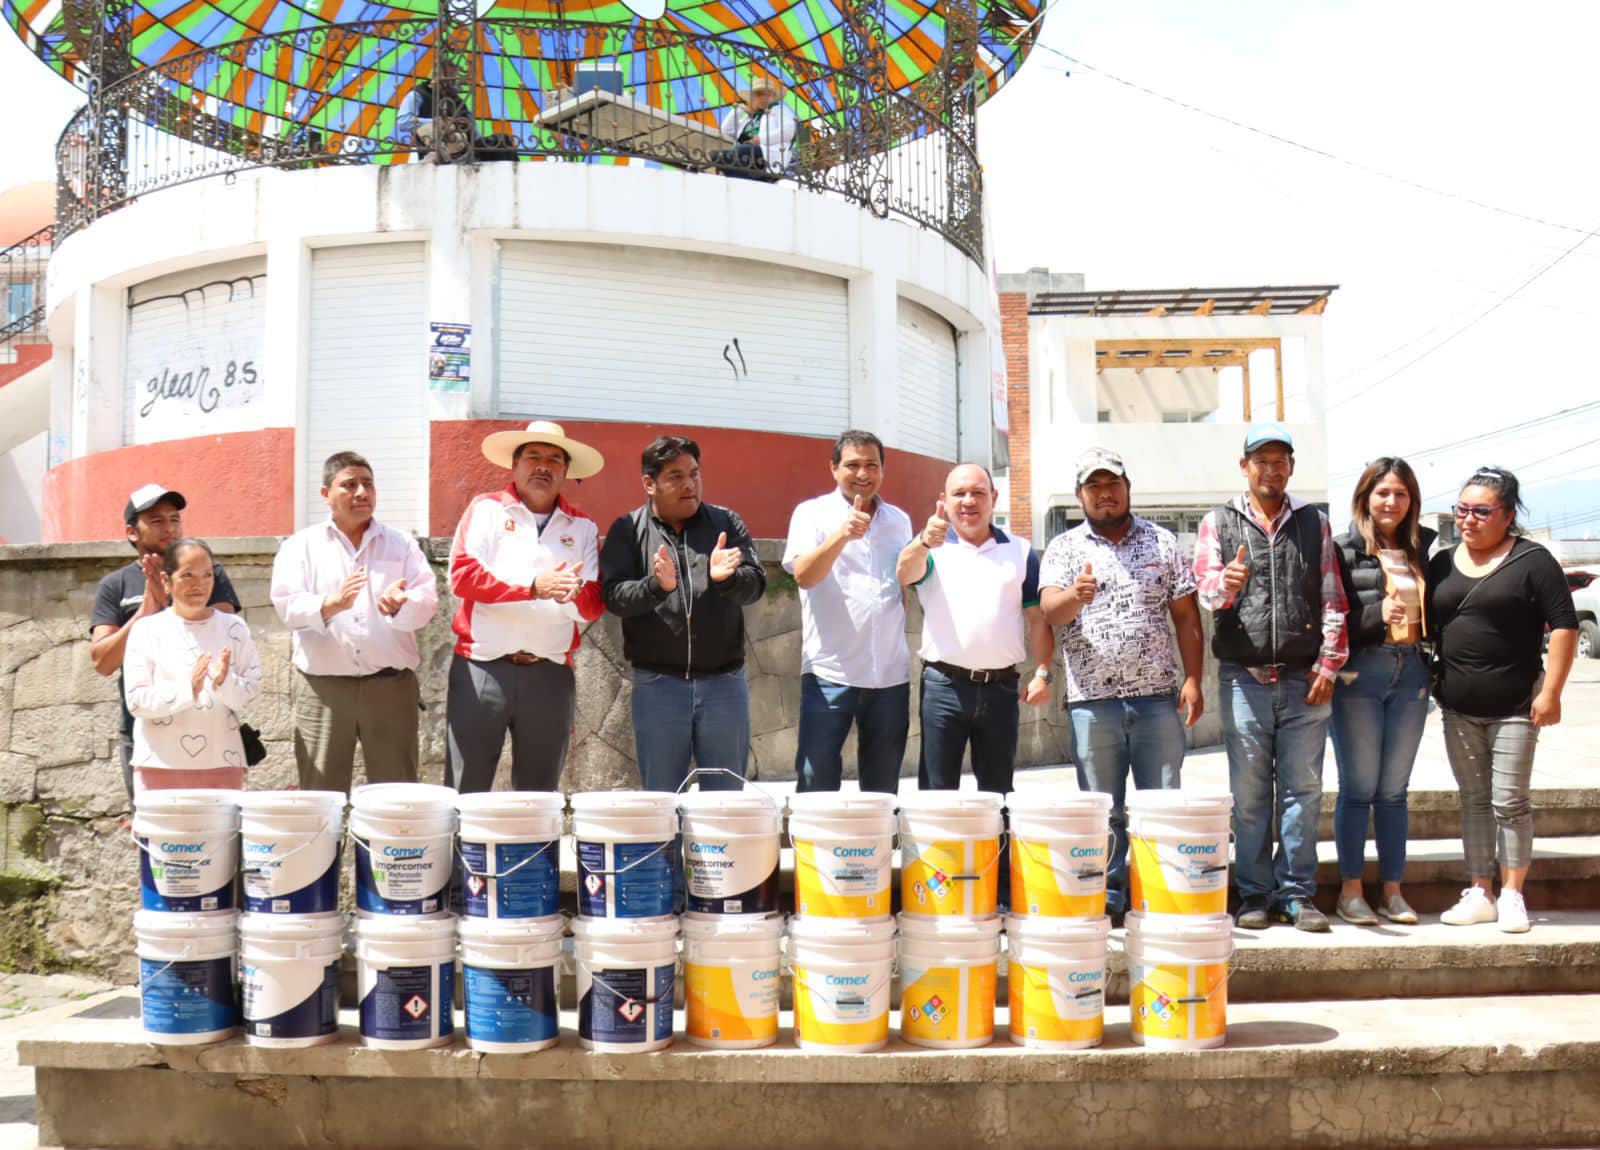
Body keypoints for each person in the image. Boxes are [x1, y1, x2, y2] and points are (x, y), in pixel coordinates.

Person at [1193, 422, 1348, 932]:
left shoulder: (1313, 523)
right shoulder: (1219, 521)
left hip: (1305, 679)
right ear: (1245, 466)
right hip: (1244, 677)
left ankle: (1297, 895)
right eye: (1261, 460)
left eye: (1281, 460)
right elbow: (1207, 595)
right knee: (1252, 793)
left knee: (1303, 791)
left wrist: (1328, 664)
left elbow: (1332, 598)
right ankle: (1255, 894)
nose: (1271, 469)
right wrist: (1227, 582)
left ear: (1291, 467)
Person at [1039, 448, 1204, 917]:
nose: (1104, 493)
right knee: (1101, 812)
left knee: (1161, 807)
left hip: (1157, 701)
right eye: (1094, 486)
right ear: (1080, 496)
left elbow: (1187, 617)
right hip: (1093, 704)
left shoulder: (1163, 543)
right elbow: (1050, 612)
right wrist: (1076, 595)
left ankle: (1158, 890)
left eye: (1112, 484)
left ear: (1127, 488)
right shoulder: (1064, 548)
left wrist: (1193, 679)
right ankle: (1108, 897)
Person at [1429, 466, 1577, 933]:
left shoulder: (1533, 561)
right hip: (1456, 706)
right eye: (1462, 510)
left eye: (1480, 511)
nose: (1468, 519)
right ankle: (1480, 891)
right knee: (1472, 800)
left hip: (1516, 705)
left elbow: (1565, 627)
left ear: (1508, 514)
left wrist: (1550, 692)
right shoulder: (1442, 562)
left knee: (1509, 801)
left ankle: (1512, 894)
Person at [446, 421, 605, 791]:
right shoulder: (484, 510)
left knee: (539, 793)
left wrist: (572, 593)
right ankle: (463, 853)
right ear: (514, 466)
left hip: (549, 674)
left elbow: (593, 605)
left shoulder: (582, 527)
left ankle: (533, 853)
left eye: (553, 459)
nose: (542, 466)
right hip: (482, 668)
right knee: (466, 787)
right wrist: (533, 588)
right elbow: (462, 576)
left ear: (566, 471)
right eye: (533, 456)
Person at [600, 435, 766, 792]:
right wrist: (657, 587)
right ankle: (667, 852)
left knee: (725, 800)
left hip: (724, 685)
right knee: (662, 799)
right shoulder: (627, 530)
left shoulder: (726, 523)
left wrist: (728, 579)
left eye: (694, 473)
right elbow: (613, 597)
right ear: (649, 483)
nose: (689, 484)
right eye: (675, 476)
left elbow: (756, 584)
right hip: (658, 687)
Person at [270, 452, 439, 792]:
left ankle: (391, 848)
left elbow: (427, 599)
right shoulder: (301, 546)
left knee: (396, 795)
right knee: (321, 797)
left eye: (368, 484)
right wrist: (331, 605)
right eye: (349, 485)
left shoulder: (400, 543)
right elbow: (287, 605)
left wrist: (400, 604)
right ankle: (327, 849)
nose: (362, 492)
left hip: (390, 689)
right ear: (325, 494)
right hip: (324, 690)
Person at [896, 463, 1053, 794]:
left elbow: (1037, 619)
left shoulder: (1021, 552)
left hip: (1001, 690)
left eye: (978, 493)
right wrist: (924, 541)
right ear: (944, 499)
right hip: (944, 688)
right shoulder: (931, 548)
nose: (969, 501)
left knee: (998, 795)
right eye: (959, 493)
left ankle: (996, 849)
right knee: (938, 793)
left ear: (993, 498)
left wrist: (1042, 673)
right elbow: (905, 574)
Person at [1330, 457, 1435, 926]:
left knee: (1394, 791)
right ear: (1365, 497)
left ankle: (1393, 891)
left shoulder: (1426, 549)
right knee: (1358, 788)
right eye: (1382, 492)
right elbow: (1330, 619)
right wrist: (1377, 617)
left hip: (1412, 672)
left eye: (1401, 494)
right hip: (1359, 675)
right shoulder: (1340, 549)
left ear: (1412, 501)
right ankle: (1351, 892)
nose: (1391, 502)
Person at [90, 484, 241, 799]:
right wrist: (145, 613)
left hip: (210, 728)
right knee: (154, 828)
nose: (169, 527)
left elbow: (227, 637)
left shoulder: (208, 573)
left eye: (174, 519)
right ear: (132, 532)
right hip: (144, 726)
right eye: (157, 521)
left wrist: (174, 605)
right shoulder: (115, 585)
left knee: (218, 829)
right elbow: (102, 662)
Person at [783, 430, 913, 793]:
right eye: (852, 465)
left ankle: (876, 850)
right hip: (830, 671)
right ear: (833, 468)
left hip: (888, 674)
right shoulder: (812, 514)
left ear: (883, 470)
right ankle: (816, 850)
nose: (862, 474)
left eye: (872, 465)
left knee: (883, 788)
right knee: (816, 780)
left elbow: (903, 584)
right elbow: (805, 576)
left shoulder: (899, 520)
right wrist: (841, 536)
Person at [123, 539, 263, 791]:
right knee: (163, 832)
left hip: (223, 760)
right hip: (159, 763)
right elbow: (136, 700)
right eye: (187, 575)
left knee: (221, 831)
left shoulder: (234, 628)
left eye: (207, 575)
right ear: (166, 581)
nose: (199, 584)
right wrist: (189, 687)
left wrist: (224, 681)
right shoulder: (145, 630)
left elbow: (251, 697)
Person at [713, 78, 799, 180]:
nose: (762, 98)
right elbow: (726, 129)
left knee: (736, 150)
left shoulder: (779, 110)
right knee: (716, 156)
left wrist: (760, 139)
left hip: (767, 155)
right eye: (758, 95)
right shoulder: (749, 119)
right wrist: (741, 109)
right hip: (746, 155)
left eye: (766, 94)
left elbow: (788, 131)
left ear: (773, 96)